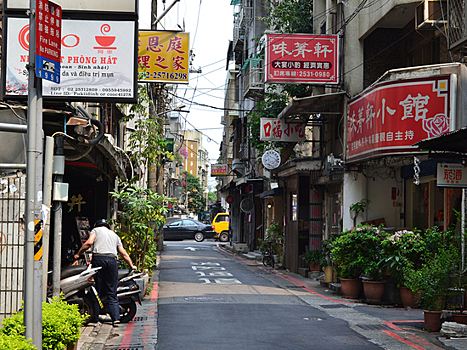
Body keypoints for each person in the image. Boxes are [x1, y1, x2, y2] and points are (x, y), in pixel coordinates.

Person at [74, 219, 136, 326]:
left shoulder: (95, 230)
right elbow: (123, 253)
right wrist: (131, 265)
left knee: (95, 289)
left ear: (97, 225)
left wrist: (78, 254)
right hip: (112, 261)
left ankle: (95, 318)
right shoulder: (114, 235)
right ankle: (116, 318)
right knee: (112, 292)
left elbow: (89, 242)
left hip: (99, 260)